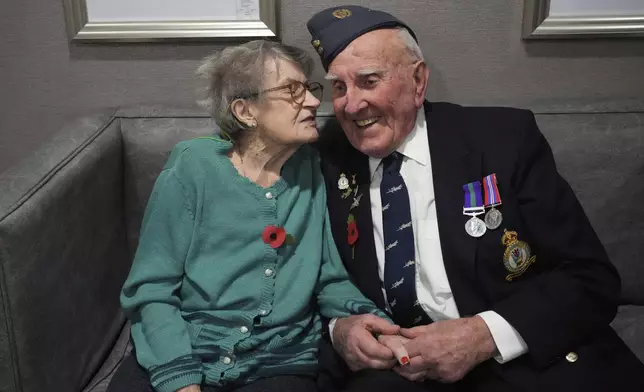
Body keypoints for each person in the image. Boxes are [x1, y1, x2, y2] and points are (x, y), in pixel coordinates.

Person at [307, 5, 644, 392]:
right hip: (397, 373)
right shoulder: (323, 156)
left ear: (418, 82)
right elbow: (301, 278)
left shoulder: (502, 140)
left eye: (369, 81)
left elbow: (590, 278)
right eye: (338, 86)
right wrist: (339, 329)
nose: (350, 105)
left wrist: (483, 335)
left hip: (519, 361)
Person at [105, 40, 407, 392]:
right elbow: (151, 288)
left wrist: (371, 322)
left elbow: (327, 274)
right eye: (293, 91)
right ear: (246, 111)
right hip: (184, 348)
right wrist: (180, 378)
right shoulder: (193, 166)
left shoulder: (310, 171)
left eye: (309, 89)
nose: (313, 101)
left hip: (278, 362)